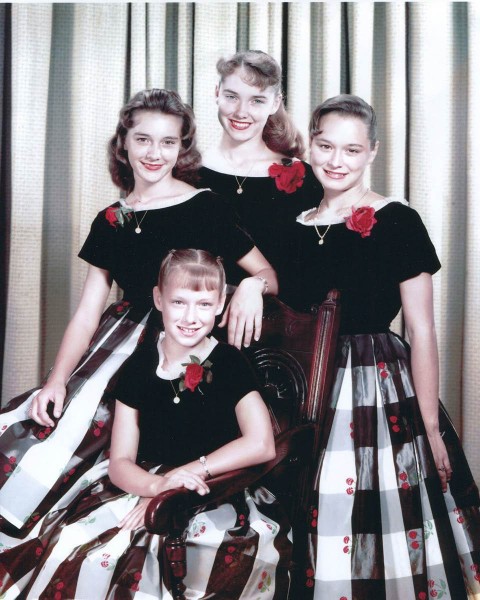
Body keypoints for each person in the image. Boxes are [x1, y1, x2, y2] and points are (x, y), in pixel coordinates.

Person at [0, 89, 277, 535]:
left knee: (102, 442)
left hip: (177, 340)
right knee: (39, 426)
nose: (155, 153)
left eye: (168, 142)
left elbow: (265, 270)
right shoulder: (112, 218)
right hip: (114, 347)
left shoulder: (204, 205)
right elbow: (89, 311)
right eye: (143, 140)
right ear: (123, 144)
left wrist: (251, 286)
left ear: (182, 148)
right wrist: (56, 379)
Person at [0, 249, 291, 599]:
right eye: (179, 302)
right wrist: (158, 487)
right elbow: (121, 460)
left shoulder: (228, 362)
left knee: (161, 559)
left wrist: (183, 476)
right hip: (144, 483)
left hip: (216, 486)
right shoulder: (139, 365)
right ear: (158, 299)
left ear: (219, 305)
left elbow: (261, 443)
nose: (190, 317)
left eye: (203, 304)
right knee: (76, 545)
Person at [283, 95, 479, 599]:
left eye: (350, 150)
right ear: (310, 145)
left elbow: (422, 329)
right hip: (306, 384)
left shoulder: (396, 219)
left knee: (382, 505)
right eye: (325, 146)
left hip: (376, 383)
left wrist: (431, 428)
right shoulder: (295, 226)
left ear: (372, 152)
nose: (335, 161)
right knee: (313, 504)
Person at [199, 49, 322, 289]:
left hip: (276, 322)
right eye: (232, 96)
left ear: (275, 103)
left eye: (257, 100)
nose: (241, 112)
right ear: (217, 94)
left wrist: (256, 288)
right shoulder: (185, 171)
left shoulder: (305, 179)